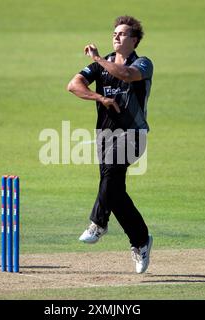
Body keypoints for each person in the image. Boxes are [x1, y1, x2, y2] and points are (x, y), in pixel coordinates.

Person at [67, 15, 154, 274]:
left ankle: (98, 223)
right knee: (114, 191)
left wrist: (97, 60)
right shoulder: (101, 65)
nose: (116, 37)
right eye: (115, 33)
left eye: (123, 34)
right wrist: (99, 98)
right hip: (105, 136)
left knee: (110, 179)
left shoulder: (143, 63)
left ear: (134, 39)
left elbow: (126, 75)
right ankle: (140, 241)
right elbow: (73, 85)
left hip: (132, 134)